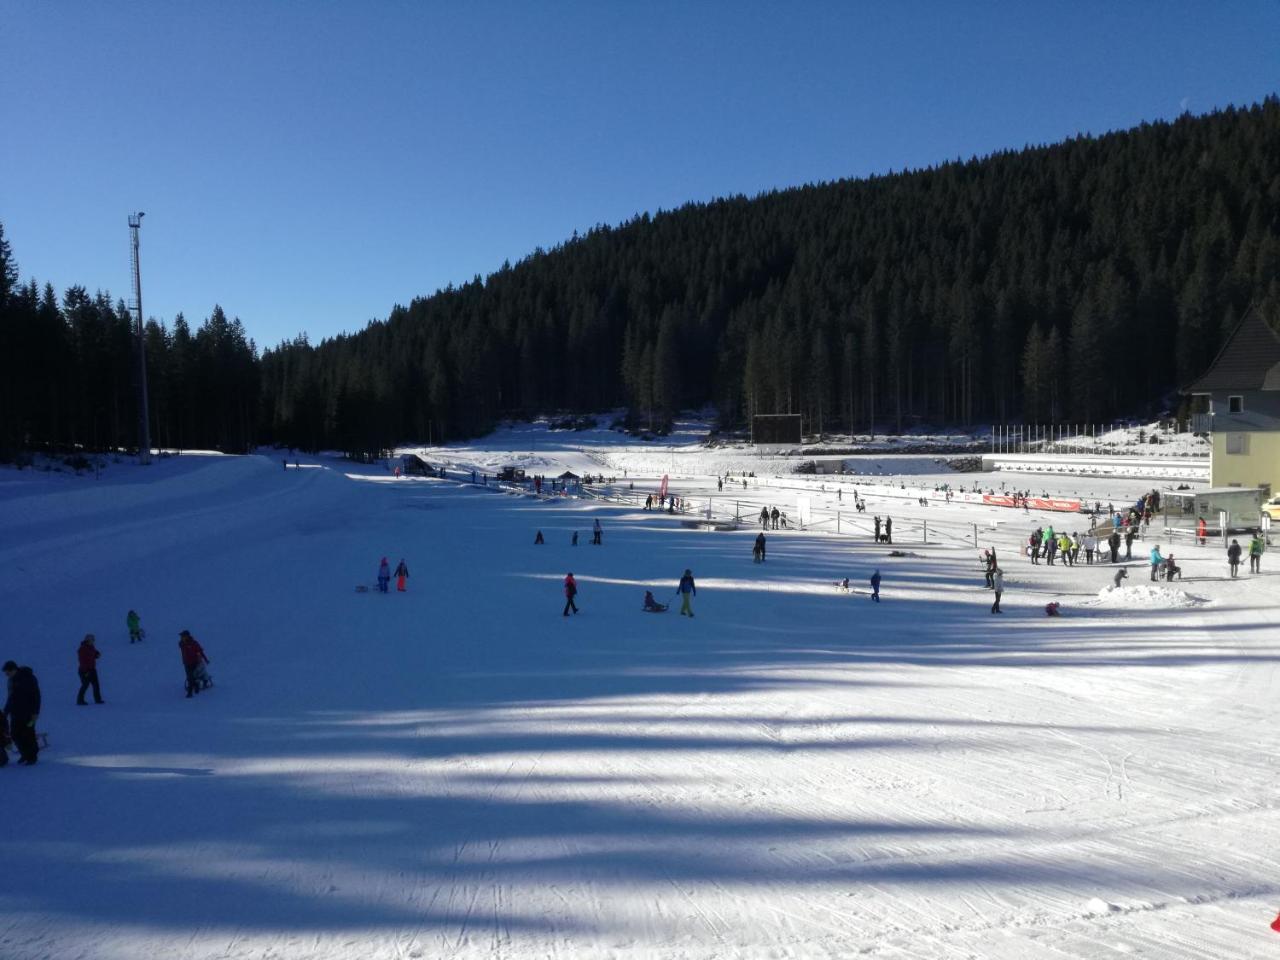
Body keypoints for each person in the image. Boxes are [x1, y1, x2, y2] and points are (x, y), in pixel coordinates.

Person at [3, 660, 41, 765]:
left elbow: (36, 696)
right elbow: (11, 697)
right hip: (15, 713)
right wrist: (5, 712)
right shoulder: (11, 680)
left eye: (7, 672)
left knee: (28, 735)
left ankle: (32, 757)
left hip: (28, 713)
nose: (6, 675)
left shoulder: (28, 678)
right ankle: (24, 754)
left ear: (13, 669)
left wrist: (35, 712)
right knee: (15, 734)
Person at [178, 631, 210, 698]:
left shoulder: (193, 643)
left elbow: (200, 651)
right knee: (190, 677)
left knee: (191, 676)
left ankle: (190, 693)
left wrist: (205, 659)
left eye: (183, 636)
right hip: (186, 663)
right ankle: (195, 686)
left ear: (187, 636)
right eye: (181, 637)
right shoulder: (182, 644)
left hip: (194, 662)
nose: (181, 638)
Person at [76, 633, 104, 706]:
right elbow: (82, 661)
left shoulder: (91, 647)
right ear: (88, 640)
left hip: (92, 669)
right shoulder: (82, 649)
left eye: (93, 640)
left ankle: (98, 699)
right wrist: (86, 671)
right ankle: (80, 700)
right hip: (84, 670)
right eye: (92, 640)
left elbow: (94, 654)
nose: (93, 641)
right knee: (85, 684)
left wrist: (97, 654)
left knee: (96, 685)